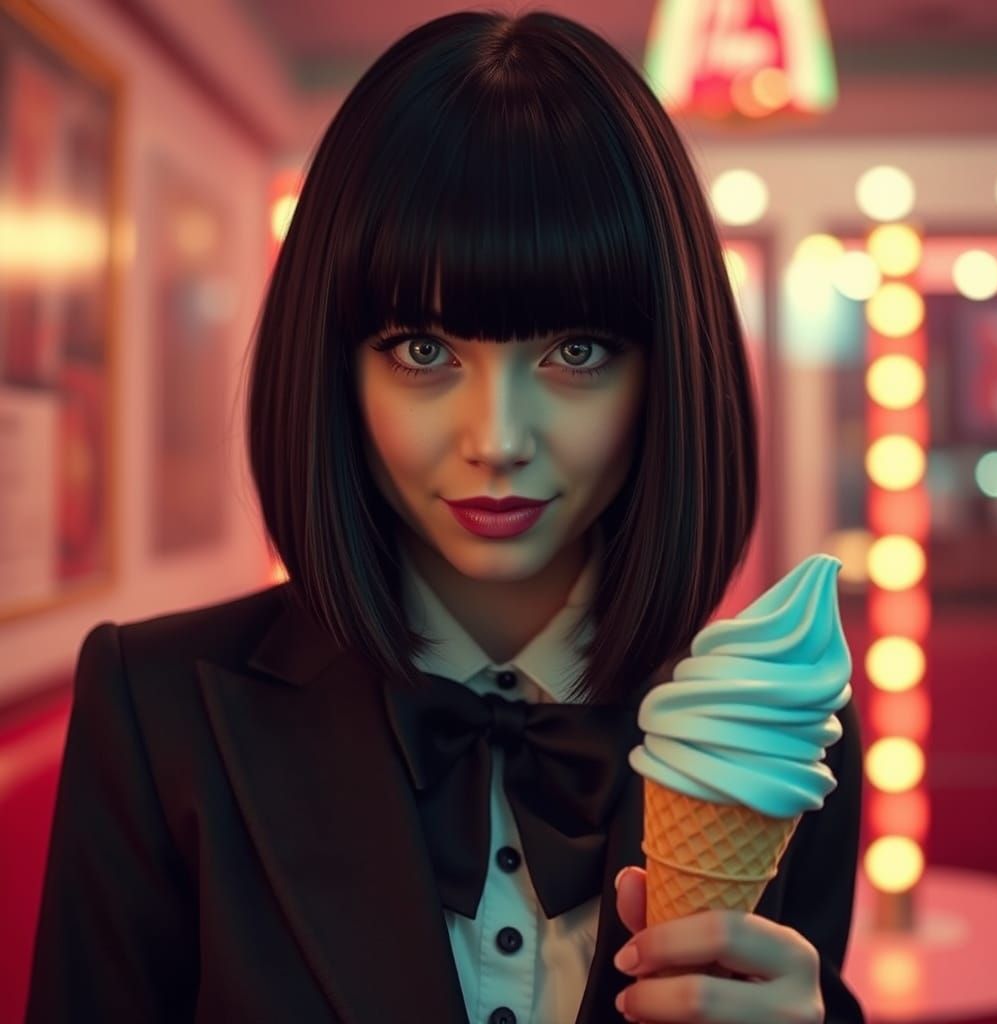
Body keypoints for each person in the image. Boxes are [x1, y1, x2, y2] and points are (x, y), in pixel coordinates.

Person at [26, 8, 864, 1023]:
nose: (497, 439)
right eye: (422, 350)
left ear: (666, 373)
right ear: (336, 367)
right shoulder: (158, 707)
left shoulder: (782, 729)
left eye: (576, 351)